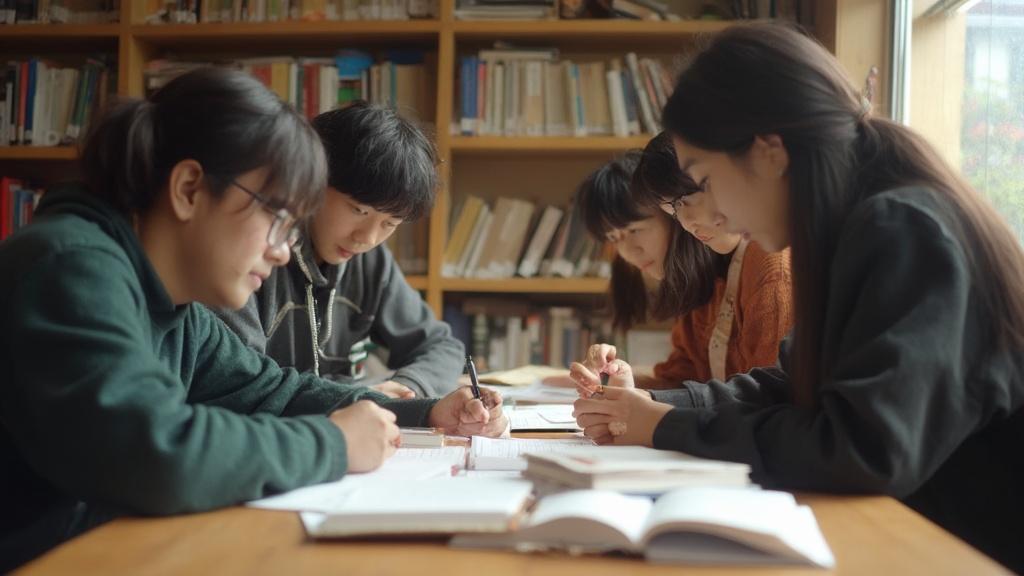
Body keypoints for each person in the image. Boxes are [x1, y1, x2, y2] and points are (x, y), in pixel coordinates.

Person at [0, 68, 505, 572]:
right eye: (277, 219)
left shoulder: (176, 309)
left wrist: (423, 414)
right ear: (190, 189)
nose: (284, 251)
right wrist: (332, 444)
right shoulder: (69, 267)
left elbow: (272, 392)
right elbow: (154, 452)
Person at [571, 22, 1024, 571]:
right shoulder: (859, 222)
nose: (712, 215)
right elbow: (793, 383)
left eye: (704, 181)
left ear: (769, 152)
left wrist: (666, 426)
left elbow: (860, 450)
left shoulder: (902, 229)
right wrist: (655, 410)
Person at [216, 102, 463, 399]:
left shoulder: (371, 261)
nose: (367, 238)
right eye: (359, 210)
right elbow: (245, 385)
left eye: (390, 223)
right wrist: (361, 396)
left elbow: (441, 346)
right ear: (313, 178)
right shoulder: (255, 254)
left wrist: (410, 388)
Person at [575, 134, 791, 389]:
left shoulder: (769, 267)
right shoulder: (701, 283)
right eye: (613, 238)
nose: (628, 251)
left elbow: (766, 396)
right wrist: (610, 375)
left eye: (635, 230)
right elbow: (684, 380)